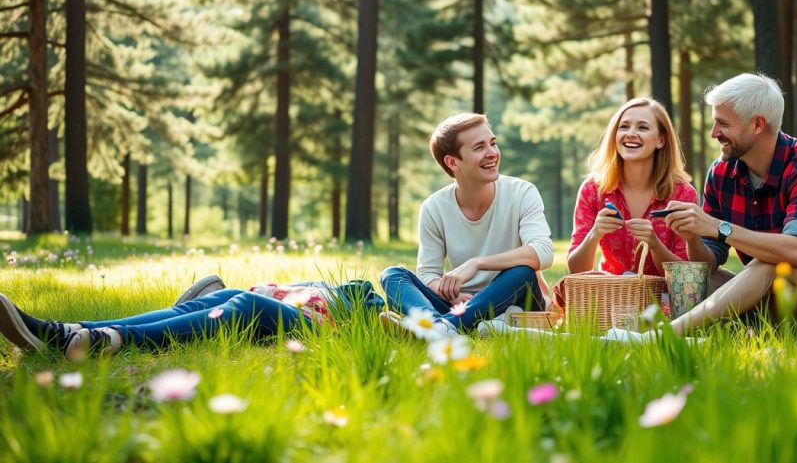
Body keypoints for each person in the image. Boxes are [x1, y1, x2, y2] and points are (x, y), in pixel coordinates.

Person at [663, 73, 797, 334]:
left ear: (757, 124)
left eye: (723, 124)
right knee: (694, 279)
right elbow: (708, 264)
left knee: (773, 262)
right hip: (762, 297)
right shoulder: (721, 173)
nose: (713, 133)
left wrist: (719, 227)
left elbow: (795, 252)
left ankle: (668, 334)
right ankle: (701, 328)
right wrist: (693, 237)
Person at [380, 113, 553, 335]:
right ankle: (440, 327)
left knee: (522, 272)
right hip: (460, 307)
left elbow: (543, 252)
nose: (492, 153)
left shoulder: (522, 192)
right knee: (393, 275)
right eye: (479, 147)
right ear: (452, 162)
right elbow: (428, 275)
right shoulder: (434, 207)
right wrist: (447, 293)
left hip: (517, 302)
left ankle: (437, 329)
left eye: (493, 143)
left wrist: (477, 263)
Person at [0, 279, 383, 359]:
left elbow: (361, 320)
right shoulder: (324, 280)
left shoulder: (365, 292)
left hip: (314, 327)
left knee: (246, 303)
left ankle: (110, 340)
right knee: (216, 300)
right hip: (275, 299)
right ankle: (70, 331)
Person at [567, 98, 698, 275]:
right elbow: (576, 270)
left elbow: (683, 276)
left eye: (642, 127)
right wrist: (594, 234)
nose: (630, 133)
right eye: (624, 126)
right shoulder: (592, 189)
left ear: (661, 140)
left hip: (663, 297)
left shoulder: (683, 193)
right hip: (611, 294)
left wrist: (655, 244)